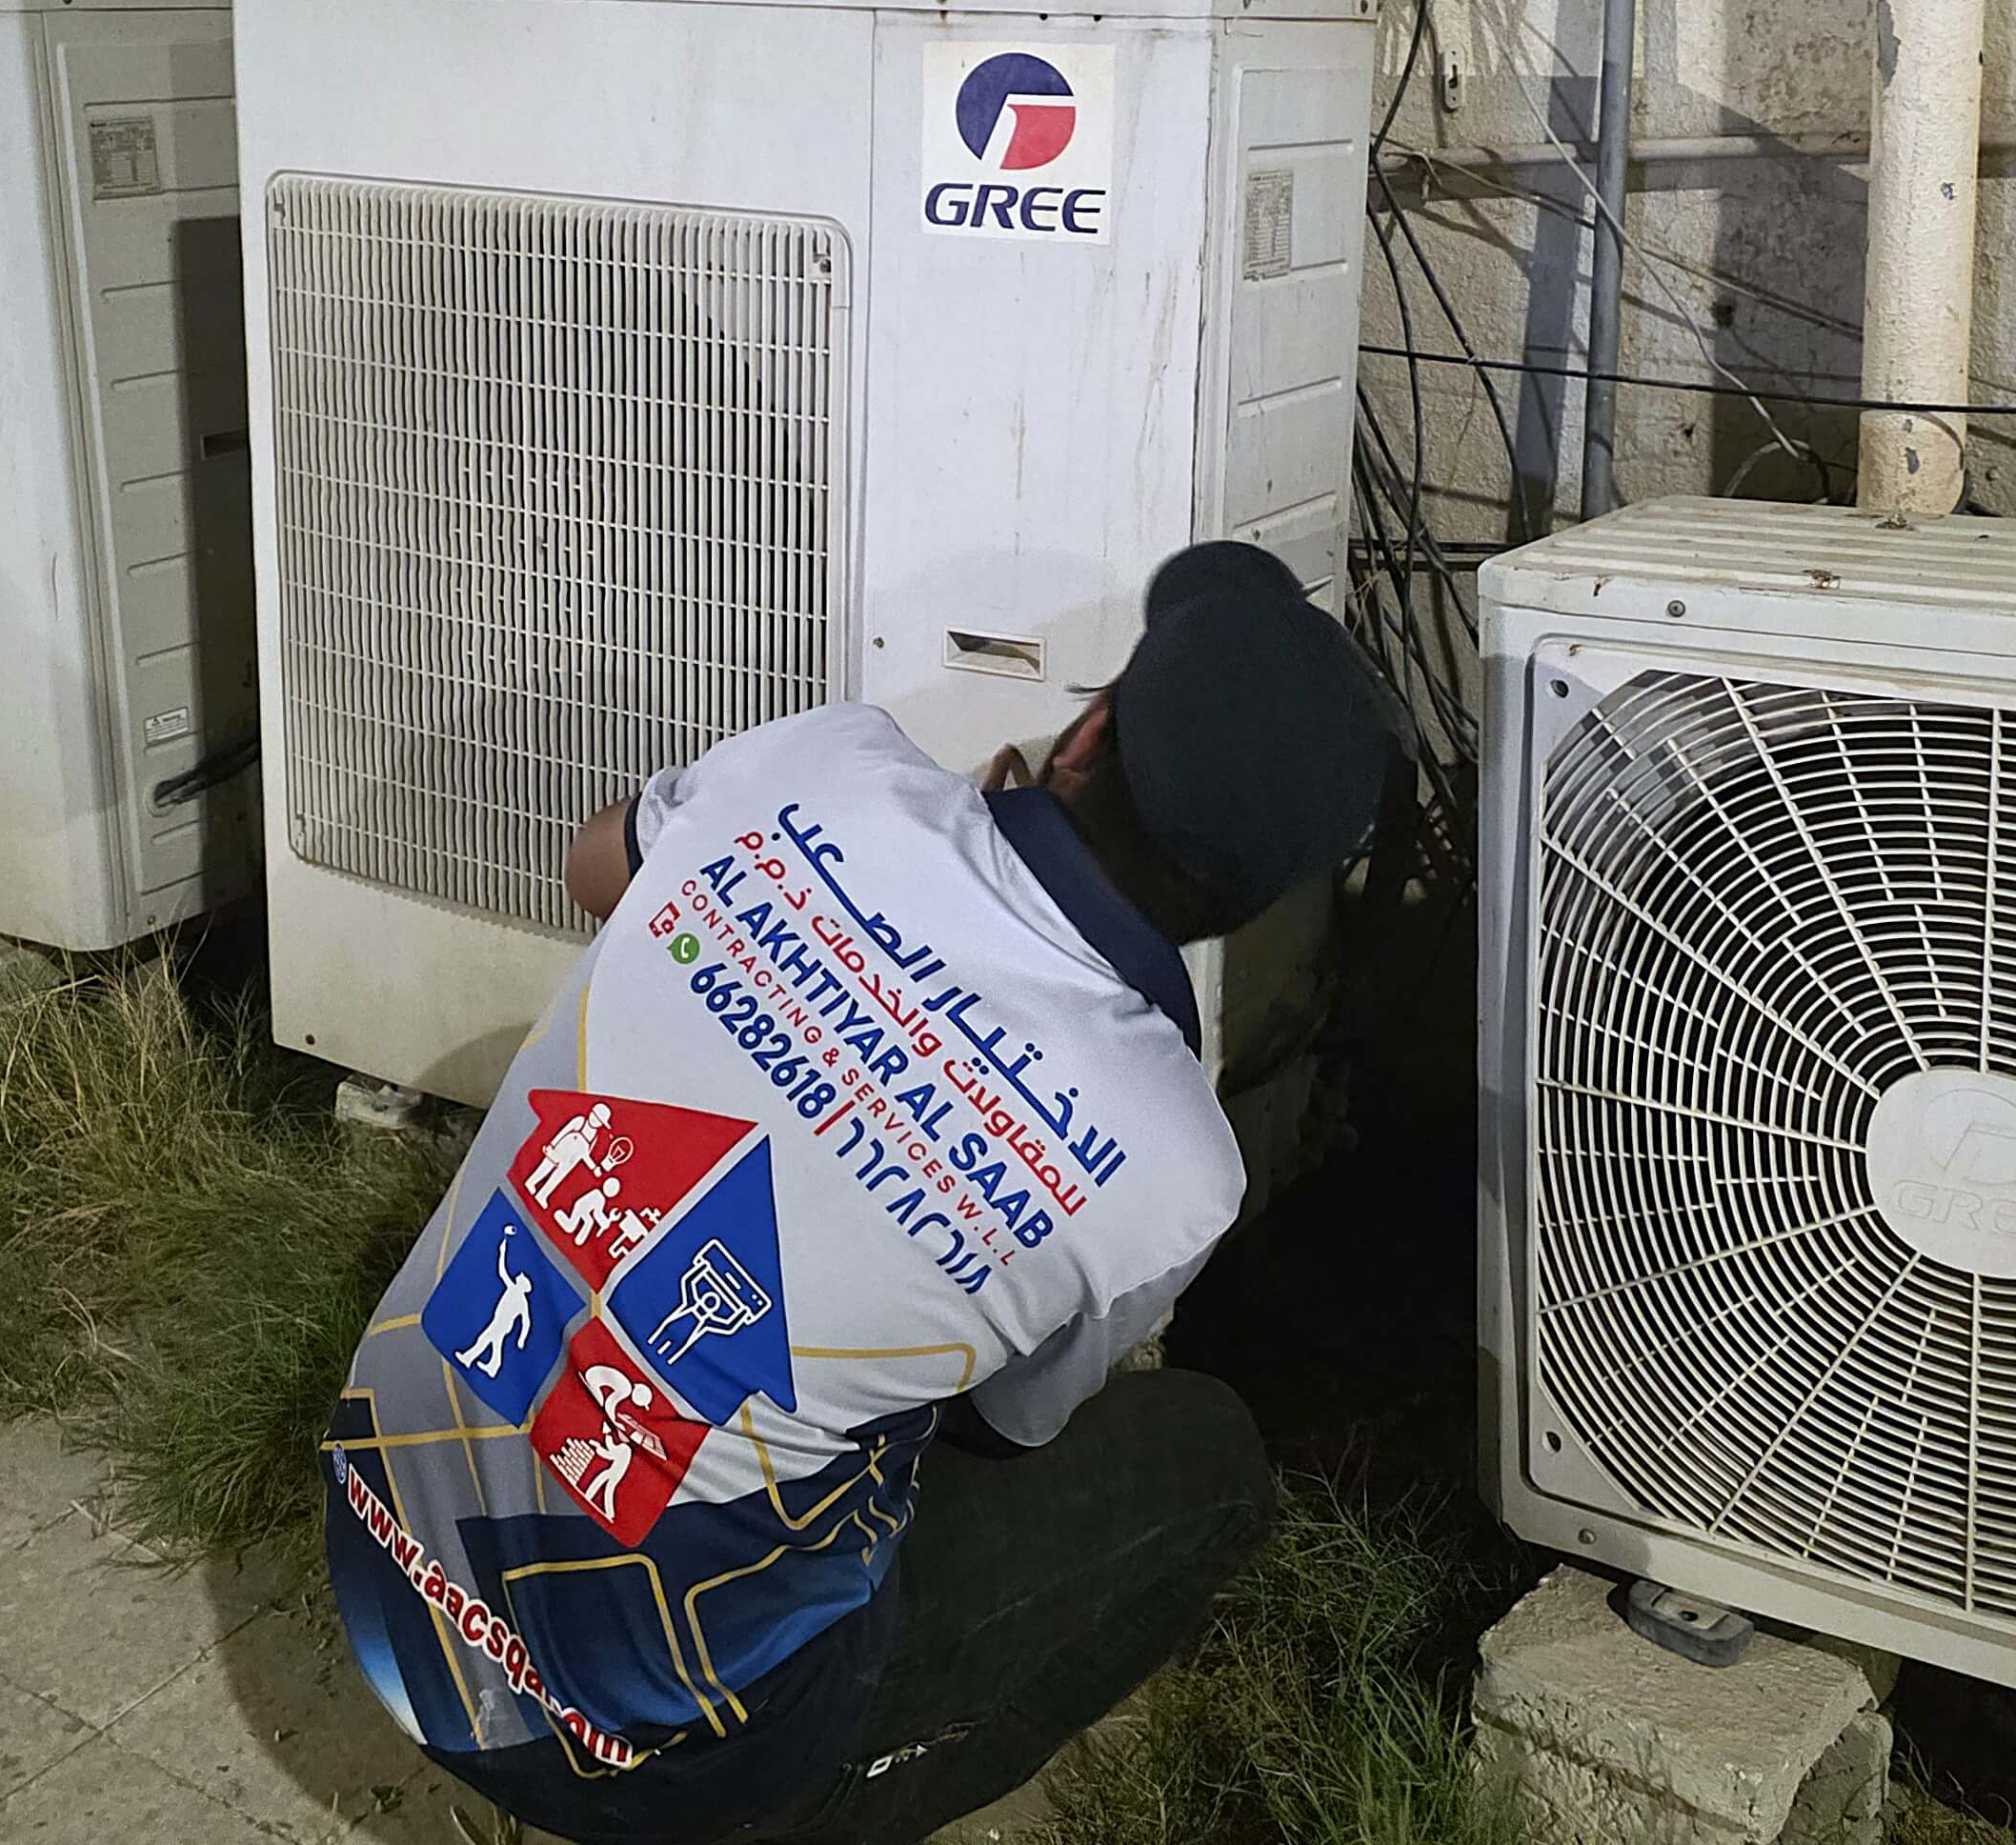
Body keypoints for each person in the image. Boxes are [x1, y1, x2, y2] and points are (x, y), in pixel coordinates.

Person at [321, 543, 1401, 1845]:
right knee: (1206, 1461)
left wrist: (795, 947)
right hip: (647, 1758)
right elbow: (1007, 1427)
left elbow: (597, 868)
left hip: (377, 1547)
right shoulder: (1173, 1171)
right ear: (1245, 905)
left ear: (1083, 737)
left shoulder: (828, 765)